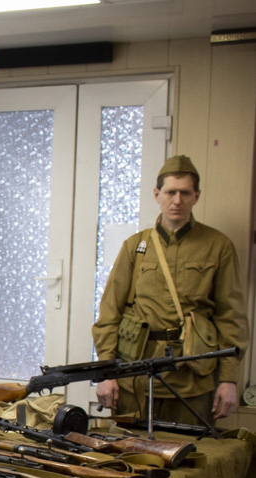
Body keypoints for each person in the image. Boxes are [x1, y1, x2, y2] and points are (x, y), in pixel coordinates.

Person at [92, 155, 248, 424]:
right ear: (157, 194)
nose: (177, 200)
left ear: (196, 196)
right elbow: (109, 313)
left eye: (185, 193)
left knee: (188, 456)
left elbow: (230, 316)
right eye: (171, 192)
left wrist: (228, 379)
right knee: (129, 456)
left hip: (192, 378)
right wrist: (107, 372)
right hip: (135, 377)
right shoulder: (136, 246)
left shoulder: (217, 245)